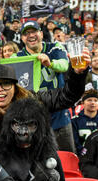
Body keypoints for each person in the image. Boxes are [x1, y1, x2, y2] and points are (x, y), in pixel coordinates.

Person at [0, 63, 90, 181]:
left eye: (6, 84)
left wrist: (77, 75)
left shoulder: (33, 101)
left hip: (37, 170)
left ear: (15, 86)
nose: (0, 90)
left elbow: (66, 97)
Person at [17, 20, 76, 154]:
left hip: (59, 116)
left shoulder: (55, 47)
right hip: (33, 120)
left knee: (68, 157)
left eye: (34, 32)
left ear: (41, 34)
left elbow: (64, 65)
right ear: (22, 38)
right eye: (26, 33)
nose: (31, 35)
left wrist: (50, 63)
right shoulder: (18, 57)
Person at [71, 88, 98, 155]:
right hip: (82, 158)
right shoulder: (74, 121)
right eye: (89, 100)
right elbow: (75, 144)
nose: (92, 103)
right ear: (83, 103)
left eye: (95, 100)